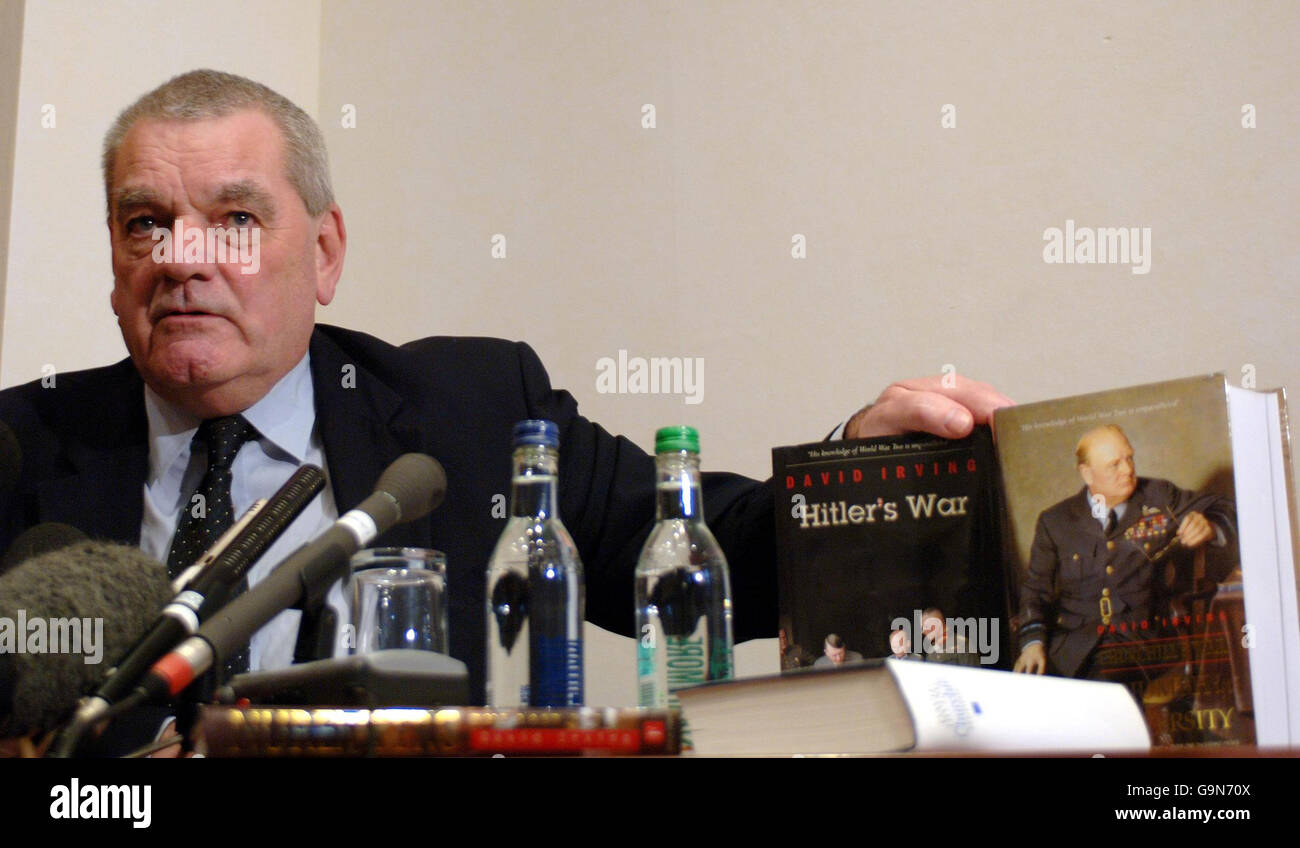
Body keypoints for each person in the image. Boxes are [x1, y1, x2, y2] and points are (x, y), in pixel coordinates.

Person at [0, 70, 1010, 716]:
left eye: (231, 220)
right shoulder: (21, 443)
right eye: (144, 223)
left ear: (325, 252)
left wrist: (857, 471)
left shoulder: (467, 410)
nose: (181, 260)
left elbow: (701, 558)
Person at [1012, 425, 1234, 679]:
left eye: (1129, 458)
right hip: (1071, 649)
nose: (1128, 470)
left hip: (1140, 642)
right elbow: (1035, 592)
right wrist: (1032, 644)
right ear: (1087, 474)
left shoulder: (1160, 497)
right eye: (1114, 464)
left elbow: (1226, 506)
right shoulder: (1055, 522)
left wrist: (1210, 526)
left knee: (1101, 692)